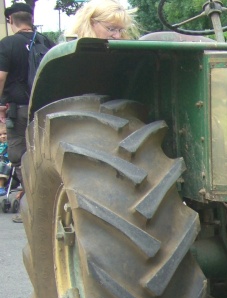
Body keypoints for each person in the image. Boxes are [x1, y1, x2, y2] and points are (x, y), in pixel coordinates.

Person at [0, 3, 54, 223]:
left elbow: (1, 77)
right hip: (45, 108)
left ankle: (32, 204)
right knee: (43, 153)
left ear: (11, 20)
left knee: (20, 155)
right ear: (30, 19)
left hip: (18, 110)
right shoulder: (47, 42)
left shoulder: (7, 44)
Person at [64, 0, 139, 40]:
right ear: (91, 23)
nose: (118, 36)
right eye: (111, 29)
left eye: (120, 30)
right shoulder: (71, 55)